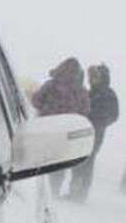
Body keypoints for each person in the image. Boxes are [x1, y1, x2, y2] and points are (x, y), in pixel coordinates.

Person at [29, 57, 88, 197]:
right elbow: (85, 111)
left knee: (40, 159)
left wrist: (47, 109)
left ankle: (37, 190)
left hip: (45, 127)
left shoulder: (52, 84)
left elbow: (36, 100)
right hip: (66, 132)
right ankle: (53, 191)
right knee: (59, 162)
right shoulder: (81, 91)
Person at [68, 63, 118, 200]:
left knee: (86, 164)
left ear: (103, 78)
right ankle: (75, 192)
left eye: (95, 77)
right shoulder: (92, 92)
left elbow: (113, 115)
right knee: (78, 163)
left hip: (94, 135)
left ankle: (79, 194)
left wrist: (95, 121)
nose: (91, 80)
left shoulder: (108, 95)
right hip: (83, 133)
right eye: (91, 77)